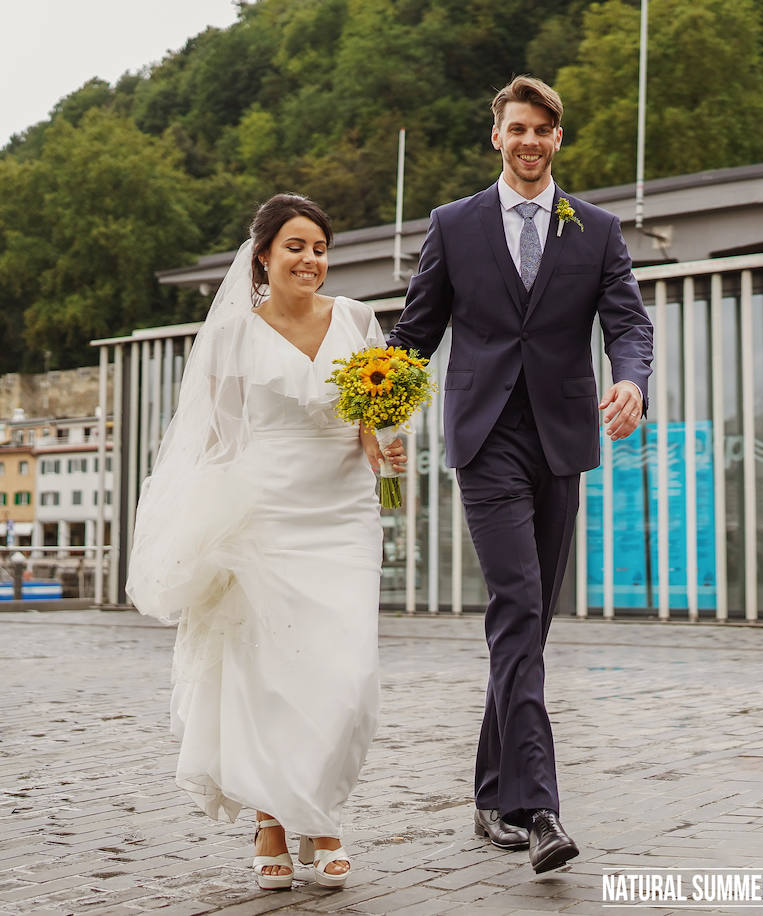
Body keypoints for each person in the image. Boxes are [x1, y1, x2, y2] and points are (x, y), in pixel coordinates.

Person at [387, 75, 653, 873]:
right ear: (495, 136)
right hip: (486, 438)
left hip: (562, 438)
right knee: (519, 602)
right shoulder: (454, 225)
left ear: (557, 139)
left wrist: (632, 379)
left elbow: (628, 323)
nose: (530, 141)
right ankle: (538, 809)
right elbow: (416, 331)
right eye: (517, 129)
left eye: (543, 129)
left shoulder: (597, 230)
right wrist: (375, 406)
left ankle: (489, 790)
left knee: (528, 626)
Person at [127, 194, 406, 891]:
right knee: (269, 675)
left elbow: (374, 422)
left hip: (342, 514)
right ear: (263, 256)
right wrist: (211, 530)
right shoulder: (230, 336)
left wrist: (385, 448)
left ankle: (316, 807)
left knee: (346, 675)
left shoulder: (358, 320)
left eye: (319, 248)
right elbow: (218, 441)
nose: (310, 259)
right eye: (295, 247)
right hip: (266, 516)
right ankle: (282, 823)